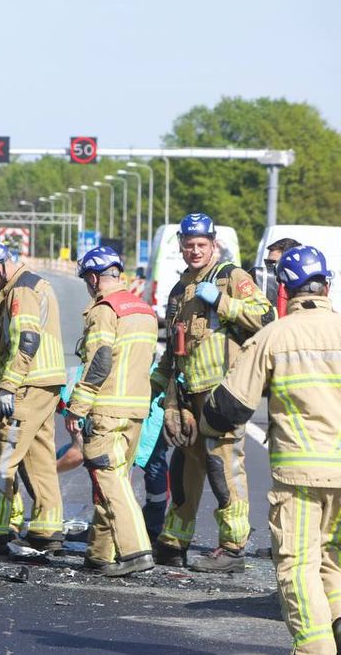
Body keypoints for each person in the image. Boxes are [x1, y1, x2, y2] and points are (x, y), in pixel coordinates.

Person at [203, 245, 341, 654]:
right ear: (327, 285)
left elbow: (230, 406)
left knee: (298, 565)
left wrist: (204, 420)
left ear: (284, 289)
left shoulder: (275, 336)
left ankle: (316, 649)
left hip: (301, 477)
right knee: (333, 558)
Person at [151, 213, 275, 572]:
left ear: (213, 244)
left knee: (223, 468)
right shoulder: (179, 289)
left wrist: (224, 303)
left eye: (201, 244)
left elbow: (266, 318)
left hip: (222, 394)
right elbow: (176, 347)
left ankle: (233, 546)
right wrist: (160, 388)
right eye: (188, 245)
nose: (194, 250)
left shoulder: (231, 277)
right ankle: (173, 541)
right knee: (184, 468)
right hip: (189, 394)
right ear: (181, 246)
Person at [66, 246, 159, 576]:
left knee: (110, 481)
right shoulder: (144, 310)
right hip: (136, 409)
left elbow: (99, 360)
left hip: (107, 408)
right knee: (113, 479)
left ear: (93, 278)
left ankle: (135, 551)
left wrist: (76, 408)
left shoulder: (105, 311)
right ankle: (100, 552)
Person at [0, 239, 67, 553]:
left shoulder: (21, 290)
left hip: (27, 384)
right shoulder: (33, 283)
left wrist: (9, 386)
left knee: (4, 455)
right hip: (46, 383)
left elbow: (26, 340)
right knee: (39, 458)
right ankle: (47, 528)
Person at [262, 237, 302, 317]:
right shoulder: (263, 290)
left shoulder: (303, 296)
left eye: (273, 264)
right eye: (267, 263)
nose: (268, 269)